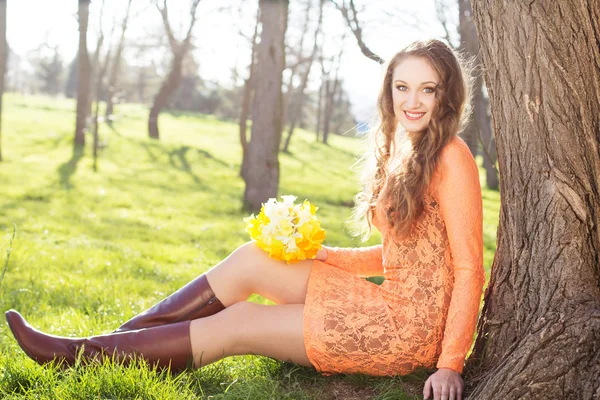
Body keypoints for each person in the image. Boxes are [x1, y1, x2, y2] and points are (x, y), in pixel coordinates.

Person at [5, 39, 484, 400]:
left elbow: (468, 270)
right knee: (255, 258)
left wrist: (449, 364)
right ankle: (101, 348)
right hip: (386, 301)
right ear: (390, 91)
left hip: (408, 332)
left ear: (446, 95)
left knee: (240, 322)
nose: (413, 101)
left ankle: (77, 358)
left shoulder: (451, 156)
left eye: (427, 89)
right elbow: (398, 257)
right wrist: (318, 255)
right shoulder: (405, 149)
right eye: (403, 87)